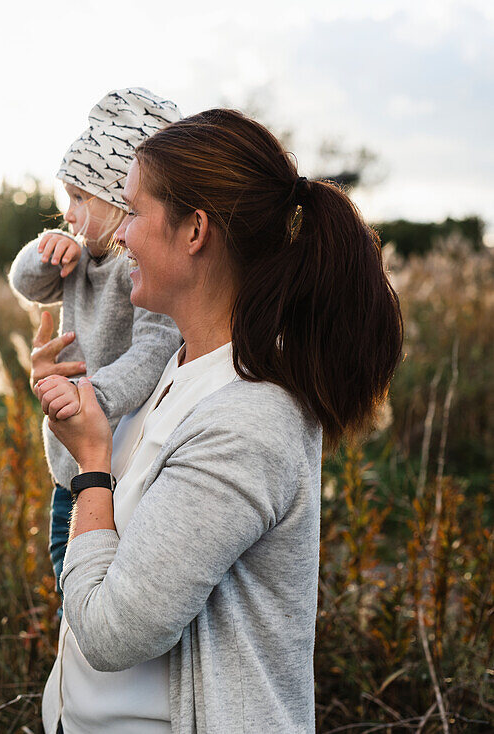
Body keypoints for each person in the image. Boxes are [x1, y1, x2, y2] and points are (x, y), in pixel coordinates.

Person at [34, 109, 403, 732]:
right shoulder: (173, 370)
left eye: (133, 211)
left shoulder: (250, 418)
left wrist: (95, 469)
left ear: (194, 231)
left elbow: (113, 632)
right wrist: (71, 397)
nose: (119, 237)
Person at [7, 88, 182, 591]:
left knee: (96, 582)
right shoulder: (78, 256)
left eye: (81, 199)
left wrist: (93, 397)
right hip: (70, 458)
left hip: (119, 455)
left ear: (122, 201)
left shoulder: (140, 267)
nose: (69, 213)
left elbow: (155, 347)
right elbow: (26, 284)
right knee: (68, 578)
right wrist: (46, 252)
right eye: (67, 199)